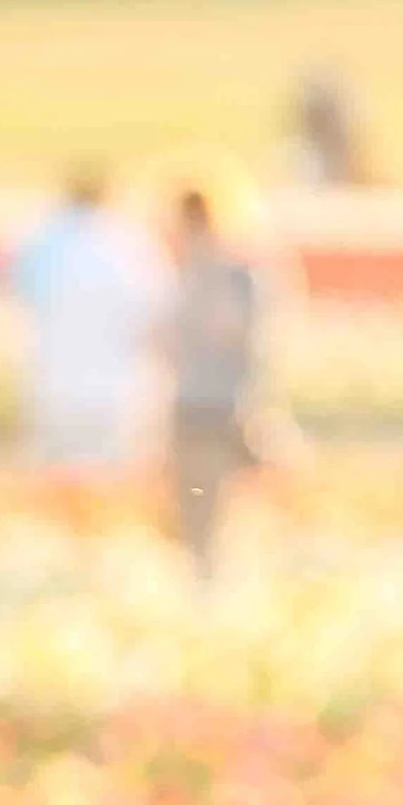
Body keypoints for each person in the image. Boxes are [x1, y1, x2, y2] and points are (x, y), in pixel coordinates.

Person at [3, 171, 165, 468]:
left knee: (54, 484)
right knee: (110, 489)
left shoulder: (42, 241)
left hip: (52, 384)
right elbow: (155, 314)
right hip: (117, 391)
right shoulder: (131, 243)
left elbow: (13, 290)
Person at [165, 187, 266, 575]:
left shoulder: (231, 276)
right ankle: (208, 577)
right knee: (198, 506)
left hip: (217, 405)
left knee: (215, 508)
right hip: (203, 404)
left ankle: (214, 578)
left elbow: (236, 335)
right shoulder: (190, 272)